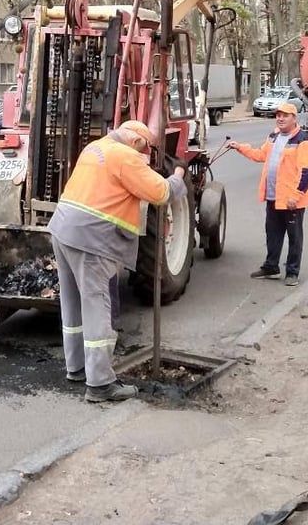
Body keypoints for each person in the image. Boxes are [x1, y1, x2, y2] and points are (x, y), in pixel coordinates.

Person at [48, 120, 187, 403]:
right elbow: (161, 193)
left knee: (73, 303)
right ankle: (100, 384)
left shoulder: (96, 147)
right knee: (98, 304)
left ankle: (77, 368)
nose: (146, 154)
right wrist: (179, 175)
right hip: (92, 239)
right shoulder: (127, 157)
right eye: (147, 148)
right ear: (137, 142)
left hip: (62, 230)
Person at [228, 102, 308, 287]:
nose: (280, 118)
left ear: (294, 118)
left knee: (294, 237)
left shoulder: (303, 140)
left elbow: (306, 172)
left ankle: (292, 272)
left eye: (285, 115)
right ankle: (271, 267)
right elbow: (260, 155)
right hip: (273, 197)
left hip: (292, 200)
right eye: (278, 115)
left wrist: (296, 196)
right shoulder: (274, 136)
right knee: (272, 234)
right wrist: (240, 147)